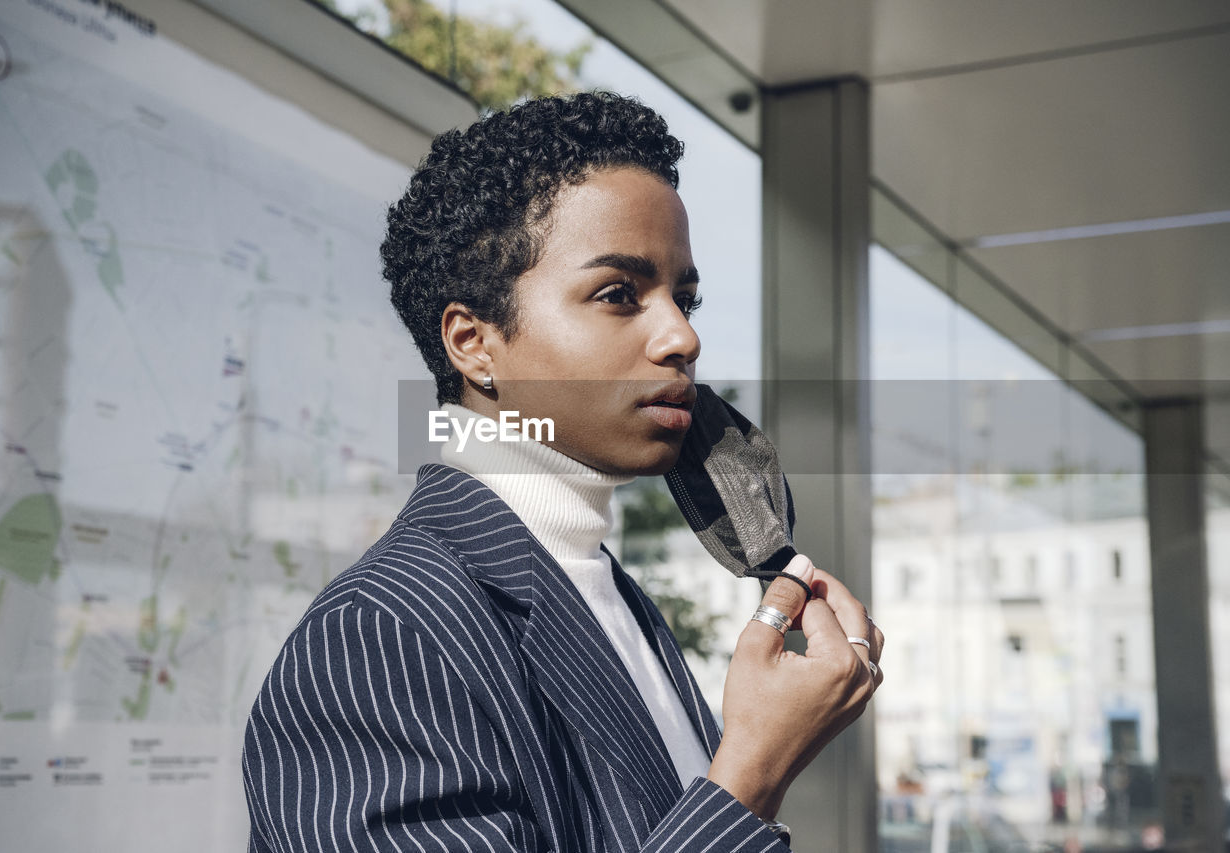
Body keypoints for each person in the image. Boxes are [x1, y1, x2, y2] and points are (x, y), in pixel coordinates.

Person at [242, 91, 884, 852]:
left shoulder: (610, 593)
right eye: (619, 294)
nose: (682, 335)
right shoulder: (380, 637)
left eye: (683, 296)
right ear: (473, 343)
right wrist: (751, 772)